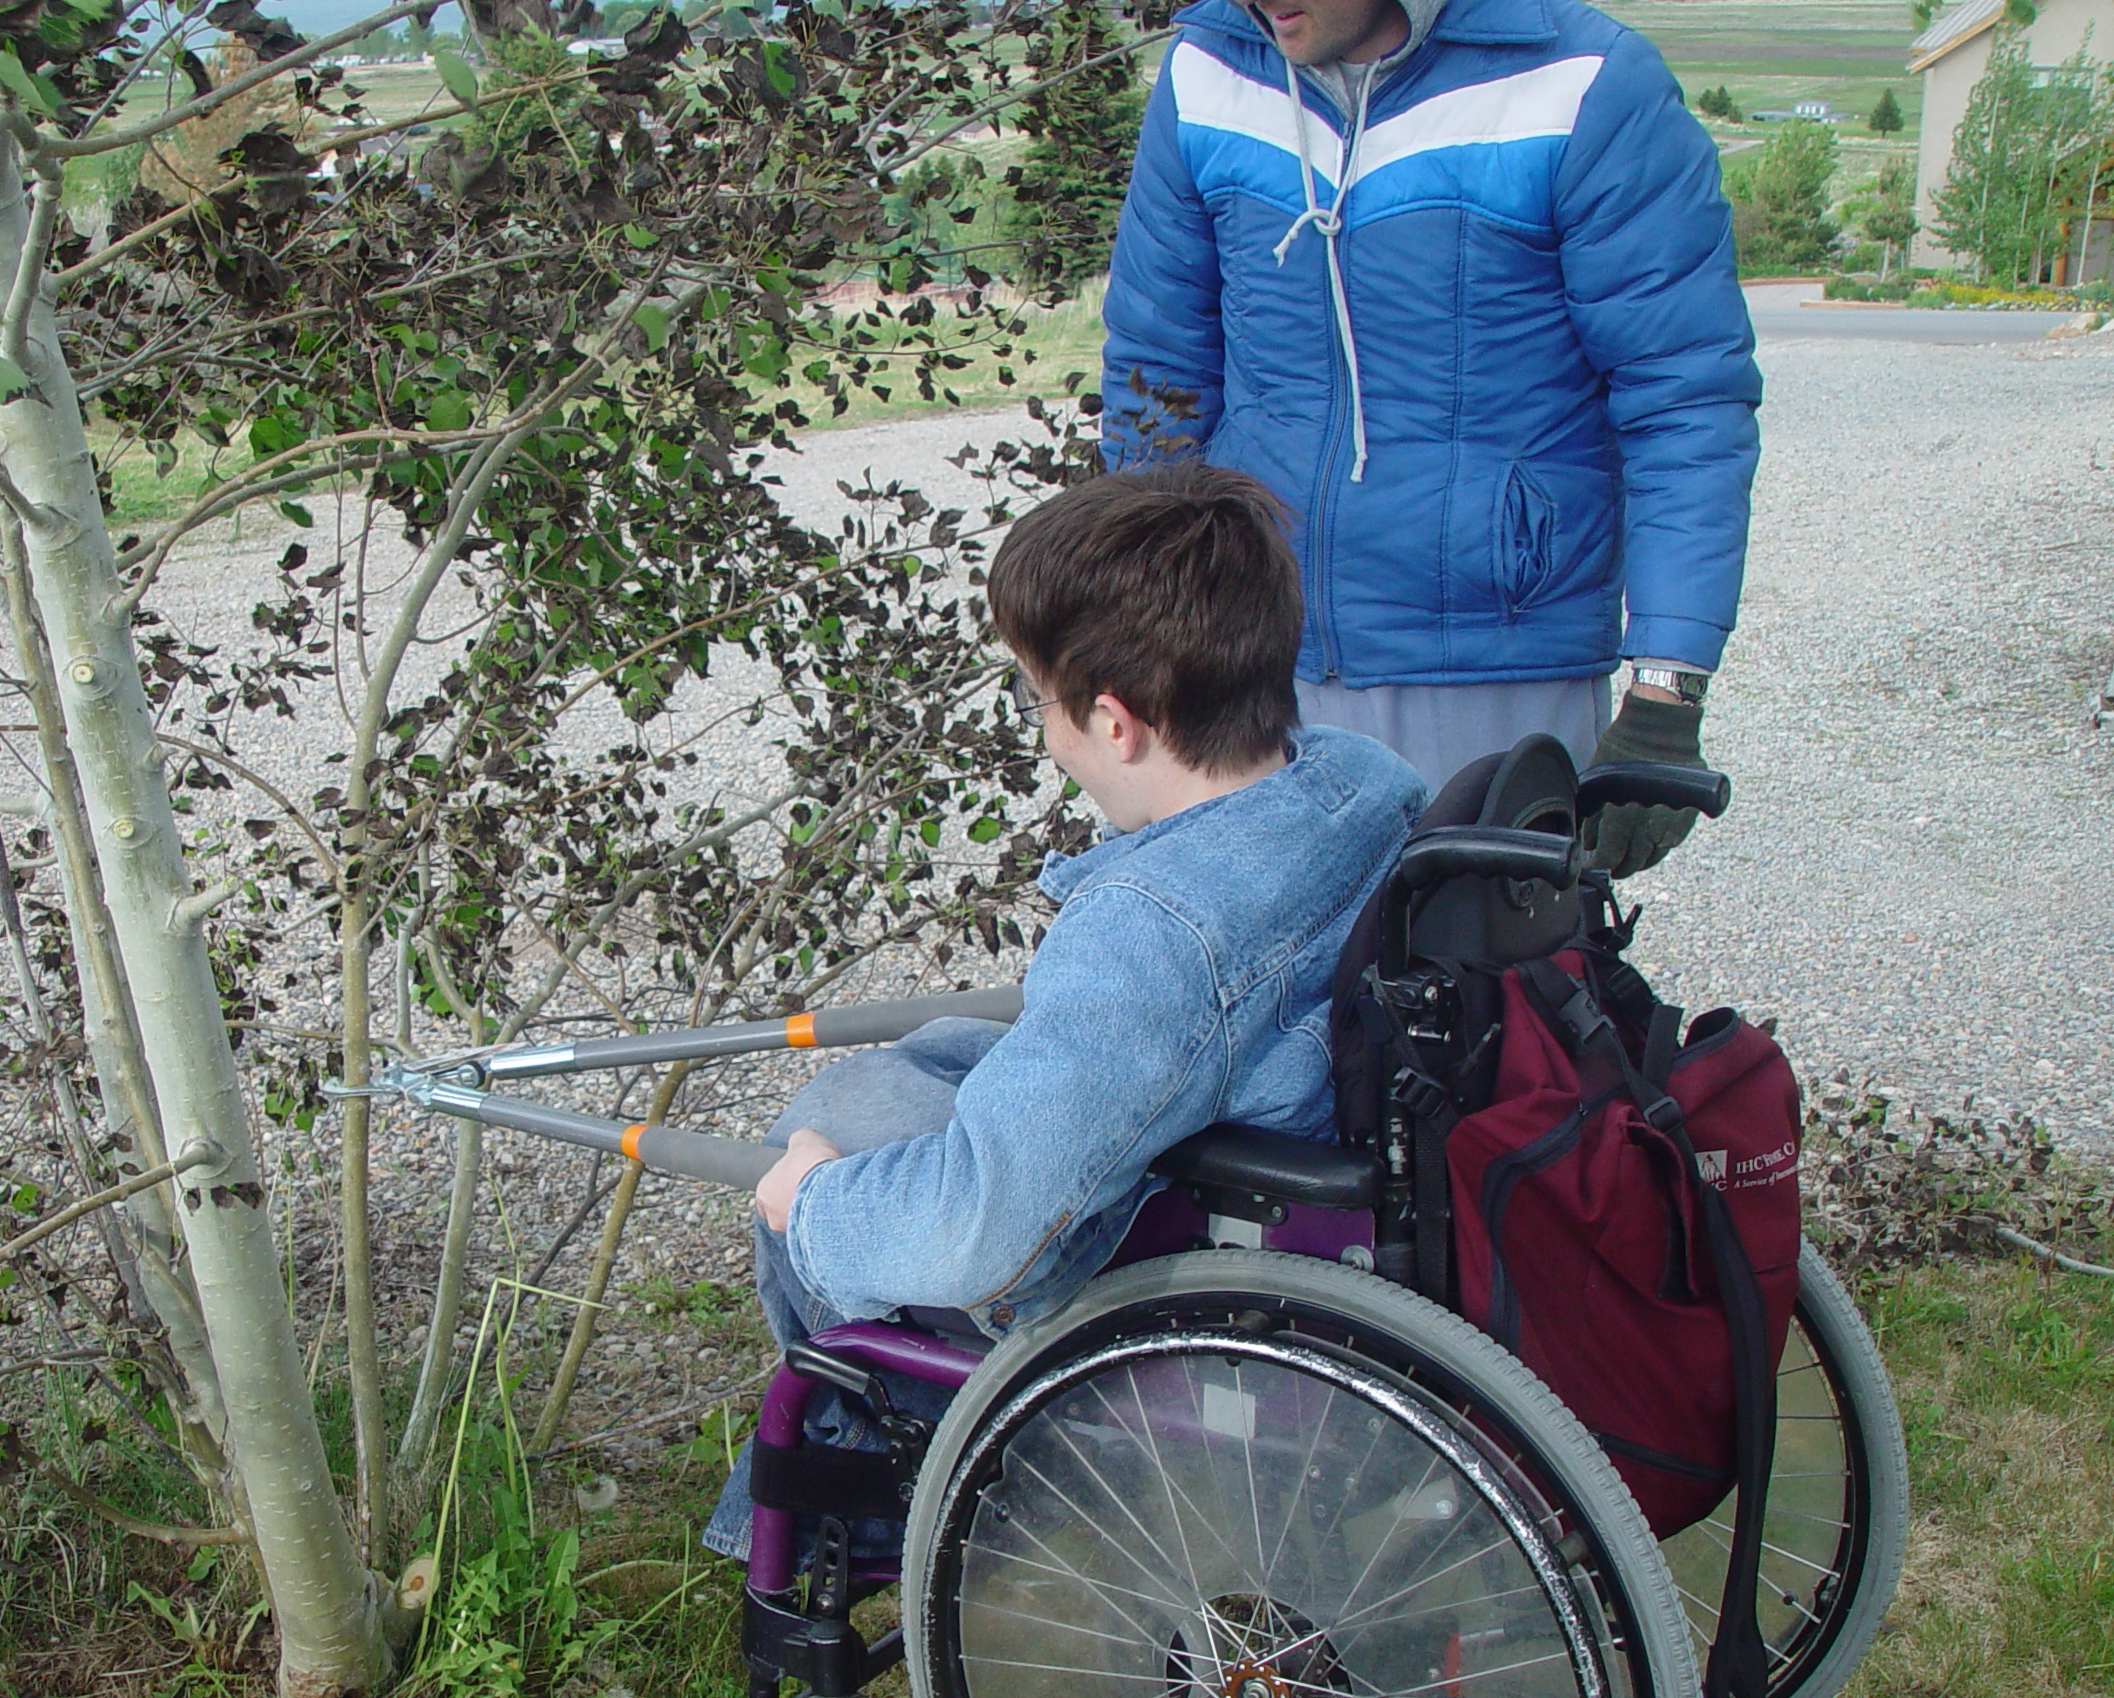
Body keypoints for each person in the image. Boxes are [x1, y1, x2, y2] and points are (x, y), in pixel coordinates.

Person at [704, 462, 1423, 1557]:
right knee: (928, 1059)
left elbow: (987, 1239)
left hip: (1187, 1241)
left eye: (1040, 702)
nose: (1043, 731)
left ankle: (872, 1511)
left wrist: (817, 1206)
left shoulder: (1147, 925)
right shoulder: (1358, 778)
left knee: (819, 1140)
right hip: (1302, 1144)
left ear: (1113, 723)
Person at [1100, 0, 1760, 873]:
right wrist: (1135, 622)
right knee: (1247, 996)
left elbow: (1683, 397)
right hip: (1252, 654)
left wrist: (1667, 687)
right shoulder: (1205, 73)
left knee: (1483, 995)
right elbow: (1159, 372)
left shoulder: (1583, 83)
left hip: (1493, 661)